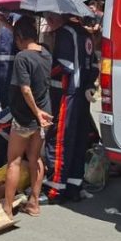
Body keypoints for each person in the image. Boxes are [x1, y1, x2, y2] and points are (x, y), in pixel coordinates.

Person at [44, 15, 100, 203]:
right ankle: (74, 188)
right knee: (78, 140)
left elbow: (63, 67)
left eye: (50, 15)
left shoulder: (65, 33)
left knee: (59, 140)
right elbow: (94, 66)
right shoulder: (86, 34)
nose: (48, 19)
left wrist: (44, 68)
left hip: (67, 95)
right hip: (83, 94)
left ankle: (55, 190)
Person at [3, 16, 52, 219]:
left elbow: (25, 89)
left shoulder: (22, 57)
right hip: (45, 116)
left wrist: (35, 112)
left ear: (20, 37)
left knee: (14, 161)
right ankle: (34, 203)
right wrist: (41, 113)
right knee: (35, 158)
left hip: (26, 117)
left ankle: (7, 208)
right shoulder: (46, 54)